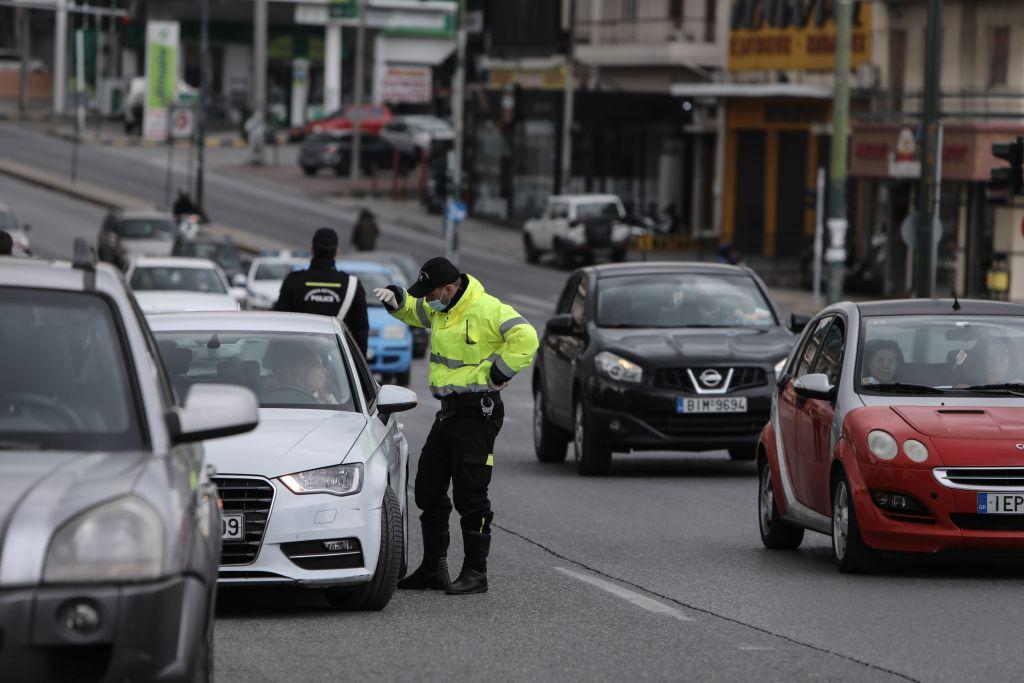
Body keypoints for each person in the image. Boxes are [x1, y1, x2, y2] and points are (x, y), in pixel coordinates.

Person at [374, 257, 538, 595]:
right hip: (448, 412)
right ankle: (434, 568)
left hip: (477, 412)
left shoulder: (488, 309)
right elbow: (414, 311)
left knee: (470, 494)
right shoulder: (441, 308)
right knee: (427, 489)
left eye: (431, 293)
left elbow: (527, 338)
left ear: (449, 289)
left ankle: (476, 573)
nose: (428, 300)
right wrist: (397, 299)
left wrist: (499, 372)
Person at [274, 228, 370, 356]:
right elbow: (361, 333)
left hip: (297, 362)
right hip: (338, 367)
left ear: (312, 250)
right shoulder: (352, 285)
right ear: (336, 252)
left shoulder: (293, 281)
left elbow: (280, 326)